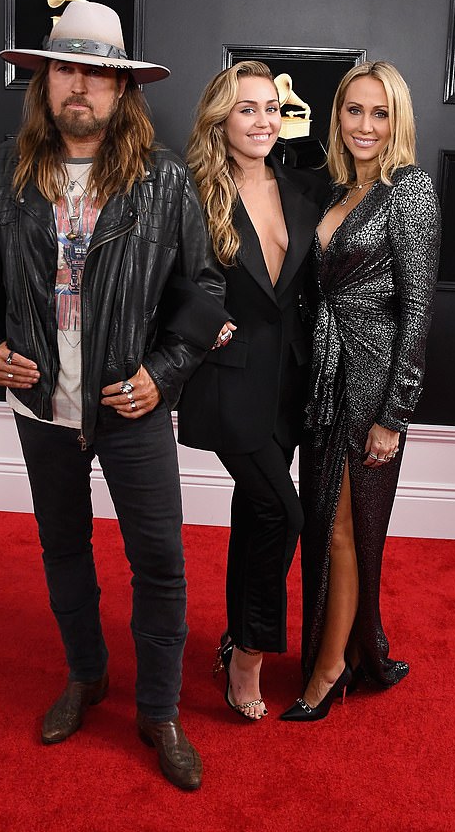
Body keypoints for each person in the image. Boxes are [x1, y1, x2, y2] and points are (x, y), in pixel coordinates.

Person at [0, 0, 227, 788]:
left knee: (161, 562)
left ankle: (160, 706)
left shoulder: (164, 178)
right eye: (65, 69)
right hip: (42, 409)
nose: (81, 87)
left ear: (122, 89)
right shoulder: (3, 171)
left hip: (129, 406)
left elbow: (204, 294)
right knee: (63, 549)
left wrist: (162, 373)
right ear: (43, 81)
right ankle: (86, 674)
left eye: (98, 73)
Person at [280, 60, 441, 722]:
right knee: (323, 523)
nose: (366, 125)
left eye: (380, 113)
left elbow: (419, 310)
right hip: (325, 378)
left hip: (372, 378)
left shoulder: (411, 190)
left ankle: (330, 666)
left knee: (346, 529)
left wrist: (394, 414)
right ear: (337, 115)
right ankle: (347, 645)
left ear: (396, 120)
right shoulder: (335, 190)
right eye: (355, 110)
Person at [177, 61, 327, 720]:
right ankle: (248, 655)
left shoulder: (300, 186)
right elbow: (159, 276)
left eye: (273, 107)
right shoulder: (189, 189)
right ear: (220, 118)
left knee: (256, 515)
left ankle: (237, 631)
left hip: (288, 384)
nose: (264, 120)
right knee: (285, 513)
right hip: (228, 380)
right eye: (247, 108)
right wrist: (204, 323)